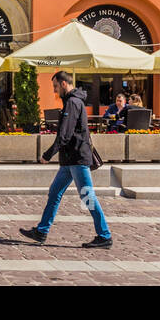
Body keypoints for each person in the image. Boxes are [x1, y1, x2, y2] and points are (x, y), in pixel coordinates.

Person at [20, 70, 112, 249]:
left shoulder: (72, 102)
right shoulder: (72, 102)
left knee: (87, 196)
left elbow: (65, 134)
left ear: (63, 84)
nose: (55, 91)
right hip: (70, 159)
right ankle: (42, 231)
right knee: (55, 192)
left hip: (77, 158)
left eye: (55, 86)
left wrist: (47, 155)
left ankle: (104, 235)